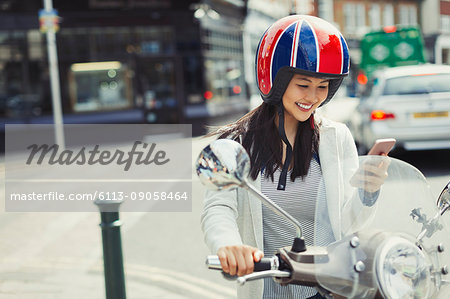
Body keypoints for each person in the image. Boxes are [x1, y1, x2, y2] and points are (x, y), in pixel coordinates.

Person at [201, 15, 389, 299]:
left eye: (323, 86)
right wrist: (228, 245)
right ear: (276, 80)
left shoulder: (335, 138)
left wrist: (369, 191)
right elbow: (218, 208)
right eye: (303, 84)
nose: (313, 97)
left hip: (330, 288)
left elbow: (349, 224)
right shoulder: (236, 143)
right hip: (267, 290)